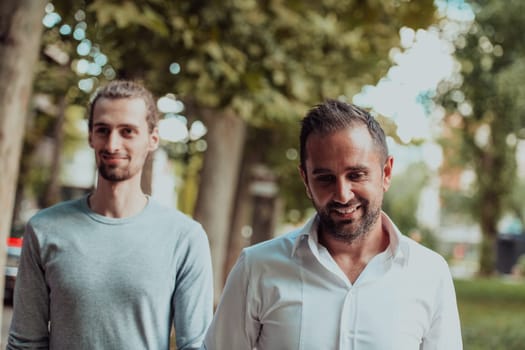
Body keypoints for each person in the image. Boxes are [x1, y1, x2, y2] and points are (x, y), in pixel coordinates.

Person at [202, 100, 463, 350]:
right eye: (325, 178)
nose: (342, 194)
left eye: (356, 175)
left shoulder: (429, 273)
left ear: (386, 173)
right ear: (305, 179)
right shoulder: (257, 268)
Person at [7, 80, 214, 350]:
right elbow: (25, 343)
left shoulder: (185, 237)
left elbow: (196, 345)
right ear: (91, 136)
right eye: (103, 130)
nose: (112, 144)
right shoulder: (44, 229)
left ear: (152, 139)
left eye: (127, 131)